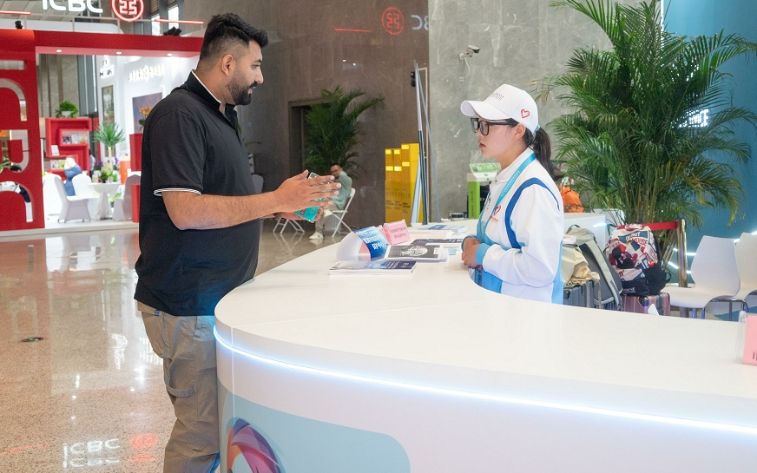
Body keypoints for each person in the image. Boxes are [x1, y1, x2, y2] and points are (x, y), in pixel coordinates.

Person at [133, 14, 339, 473]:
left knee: (215, 430)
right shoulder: (180, 115)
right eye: (256, 65)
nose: (260, 77)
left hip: (213, 300)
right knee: (202, 435)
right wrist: (274, 198)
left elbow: (222, 199)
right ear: (228, 63)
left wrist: (281, 207)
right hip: (187, 303)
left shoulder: (220, 117)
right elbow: (186, 212)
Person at [459, 83, 564, 303]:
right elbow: (498, 237)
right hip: (502, 310)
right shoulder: (509, 176)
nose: (479, 132)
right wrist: (472, 243)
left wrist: (483, 255)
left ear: (518, 130)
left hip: (524, 317)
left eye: (488, 125)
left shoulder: (533, 188)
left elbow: (540, 269)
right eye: (478, 124)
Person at [309, 163, 353, 239]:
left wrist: (339, 172)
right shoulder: (336, 181)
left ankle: (318, 232)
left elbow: (343, 176)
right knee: (317, 203)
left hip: (337, 205)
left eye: (336, 170)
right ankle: (318, 230)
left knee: (322, 208)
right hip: (330, 203)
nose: (334, 173)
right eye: (332, 171)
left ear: (341, 170)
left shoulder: (347, 180)